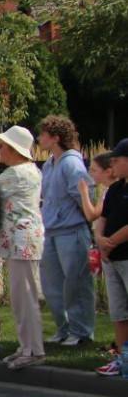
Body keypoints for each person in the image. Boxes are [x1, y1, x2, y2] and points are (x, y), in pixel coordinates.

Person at [38, 115, 96, 346]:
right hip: (51, 231)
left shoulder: (72, 163)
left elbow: (85, 196)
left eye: (43, 134)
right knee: (53, 285)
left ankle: (81, 332)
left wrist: (82, 223)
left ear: (55, 138)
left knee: (76, 284)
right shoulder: (49, 164)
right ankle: (64, 329)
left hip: (71, 232)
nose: (39, 138)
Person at [0, 127, 47, 370]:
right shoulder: (30, 170)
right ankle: (27, 347)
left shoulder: (16, 173)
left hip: (21, 241)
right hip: (22, 240)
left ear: (15, 150)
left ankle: (34, 350)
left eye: (2, 146)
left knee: (24, 297)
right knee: (21, 296)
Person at [79, 143, 128, 376]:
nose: (113, 165)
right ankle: (122, 358)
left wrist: (111, 241)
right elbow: (102, 218)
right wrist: (100, 239)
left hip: (124, 255)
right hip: (112, 259)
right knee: (119, 312)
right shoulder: (116, 189)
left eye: (117, 160)